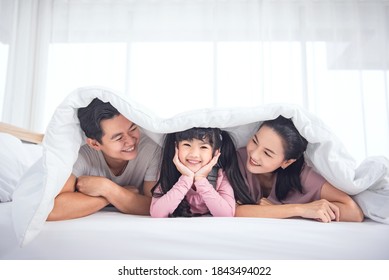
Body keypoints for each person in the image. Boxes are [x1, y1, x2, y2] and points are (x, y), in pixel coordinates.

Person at [47, 98, 161, 221]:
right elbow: (53, 209)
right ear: (95, 144)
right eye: (118, 138)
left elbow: (154, 206)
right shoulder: (81, 155)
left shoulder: (151, 150)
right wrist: (108, 196)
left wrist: (107, 188)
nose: (130, 141)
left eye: (133, 129)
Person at [235, 115, 364, 222]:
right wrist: (297, 209)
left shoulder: (303, 175)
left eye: (267, 153)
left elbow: (354, 212)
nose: (254, 154)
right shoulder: (237, 159)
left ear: (287, 162)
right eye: (255, 141)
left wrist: (300, 211)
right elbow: (234, 211)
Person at [150, 127, 255, 218]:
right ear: (176, 147)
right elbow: (157, 213)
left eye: (204, 147)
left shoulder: (220, 175)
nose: (194, 154)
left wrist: (200, 180)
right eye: (187, 145)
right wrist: (186, 178)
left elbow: (226, 214)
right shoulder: (169, 171)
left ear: (216, 153)